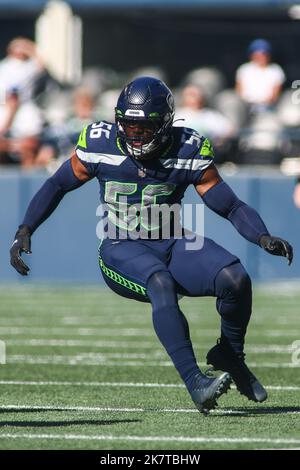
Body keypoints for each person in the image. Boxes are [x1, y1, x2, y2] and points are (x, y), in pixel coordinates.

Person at [10, 77, 293, 414]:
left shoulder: (186, 148)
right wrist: (26, 228)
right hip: (120, 247)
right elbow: (58, 183)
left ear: (165, 124)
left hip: (172, 241)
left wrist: (261, 236)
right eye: (128, 126)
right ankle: (195, 382)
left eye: (144, 128)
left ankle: (230, 353)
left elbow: (229, 205)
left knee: (235, 278)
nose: (135, 135)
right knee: (160, 281)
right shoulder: (101, 144)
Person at [0, 37, 45, 166]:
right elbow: (10, 98)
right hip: (4, 108)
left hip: (24, 110)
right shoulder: (4, 67)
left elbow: (41, 64)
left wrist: (29, 47)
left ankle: (27, 182)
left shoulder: (29, 66)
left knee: (29, 147)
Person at [236, 39, 285, 113]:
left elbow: (275, 94)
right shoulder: (244, 69)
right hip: (245, 108)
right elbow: (239, 91)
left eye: (264, 54)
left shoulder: (276, 70)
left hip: (267, 108)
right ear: (252, 55)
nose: (261, 57)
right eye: (257, 54)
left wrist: (263, 104)